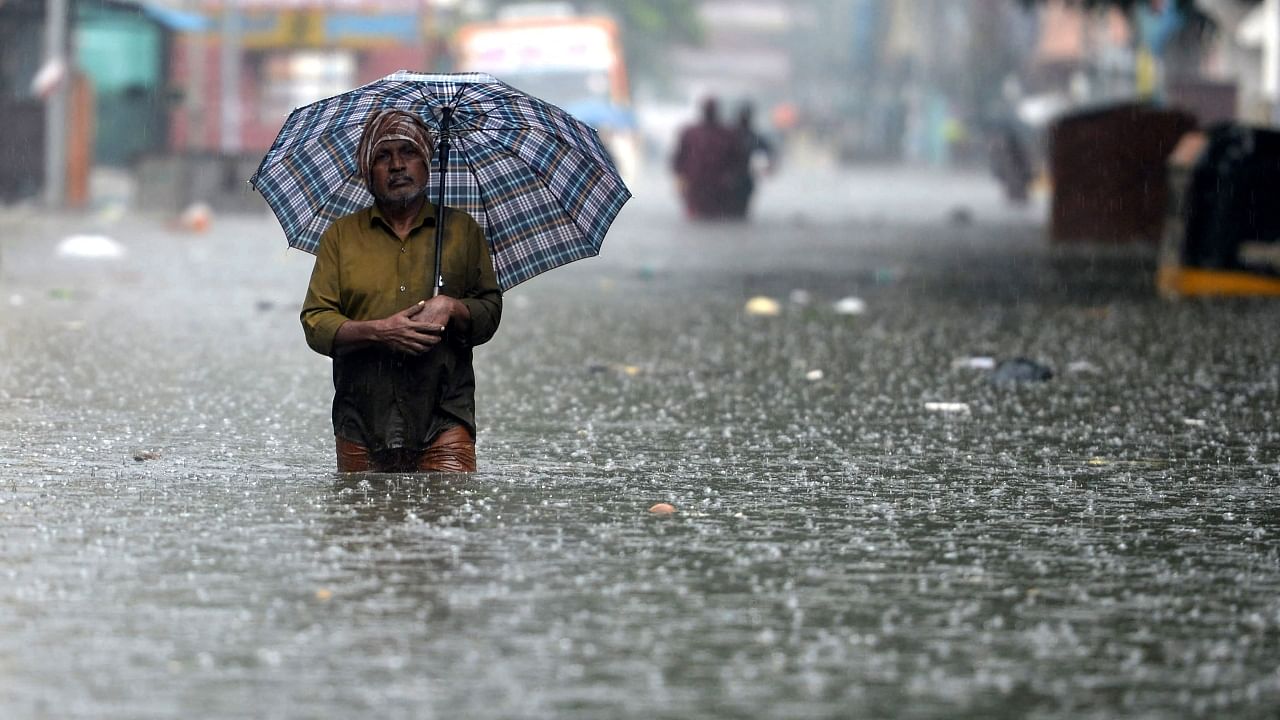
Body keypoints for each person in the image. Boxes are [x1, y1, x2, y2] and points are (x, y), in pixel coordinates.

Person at [301, 109, 503, 473]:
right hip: (361, 419)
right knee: (362, 524)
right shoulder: (341, 237)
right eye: (383, 156)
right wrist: (380, 331)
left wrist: (451, 307)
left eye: (408, 153)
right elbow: (316, 323)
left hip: (444, 416)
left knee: (447, 521)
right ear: (368, 172)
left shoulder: (462, 232)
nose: (397, 165)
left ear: (427, 164)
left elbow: (489, 313)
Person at [671, 97, 744, 220]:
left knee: (711, 218)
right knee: (703, 218)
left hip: (716, 187)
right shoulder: (691, 133)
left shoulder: (726, 134)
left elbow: (737, 161)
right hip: (698, 186)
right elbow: (678, 159)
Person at [727, 101, 775, 219]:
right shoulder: (731, 136)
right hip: (733, 179)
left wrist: (768, 168)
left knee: (737, 214)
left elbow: (769, 152)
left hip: (742, 180)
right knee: (735, 214)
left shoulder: (751, 137)